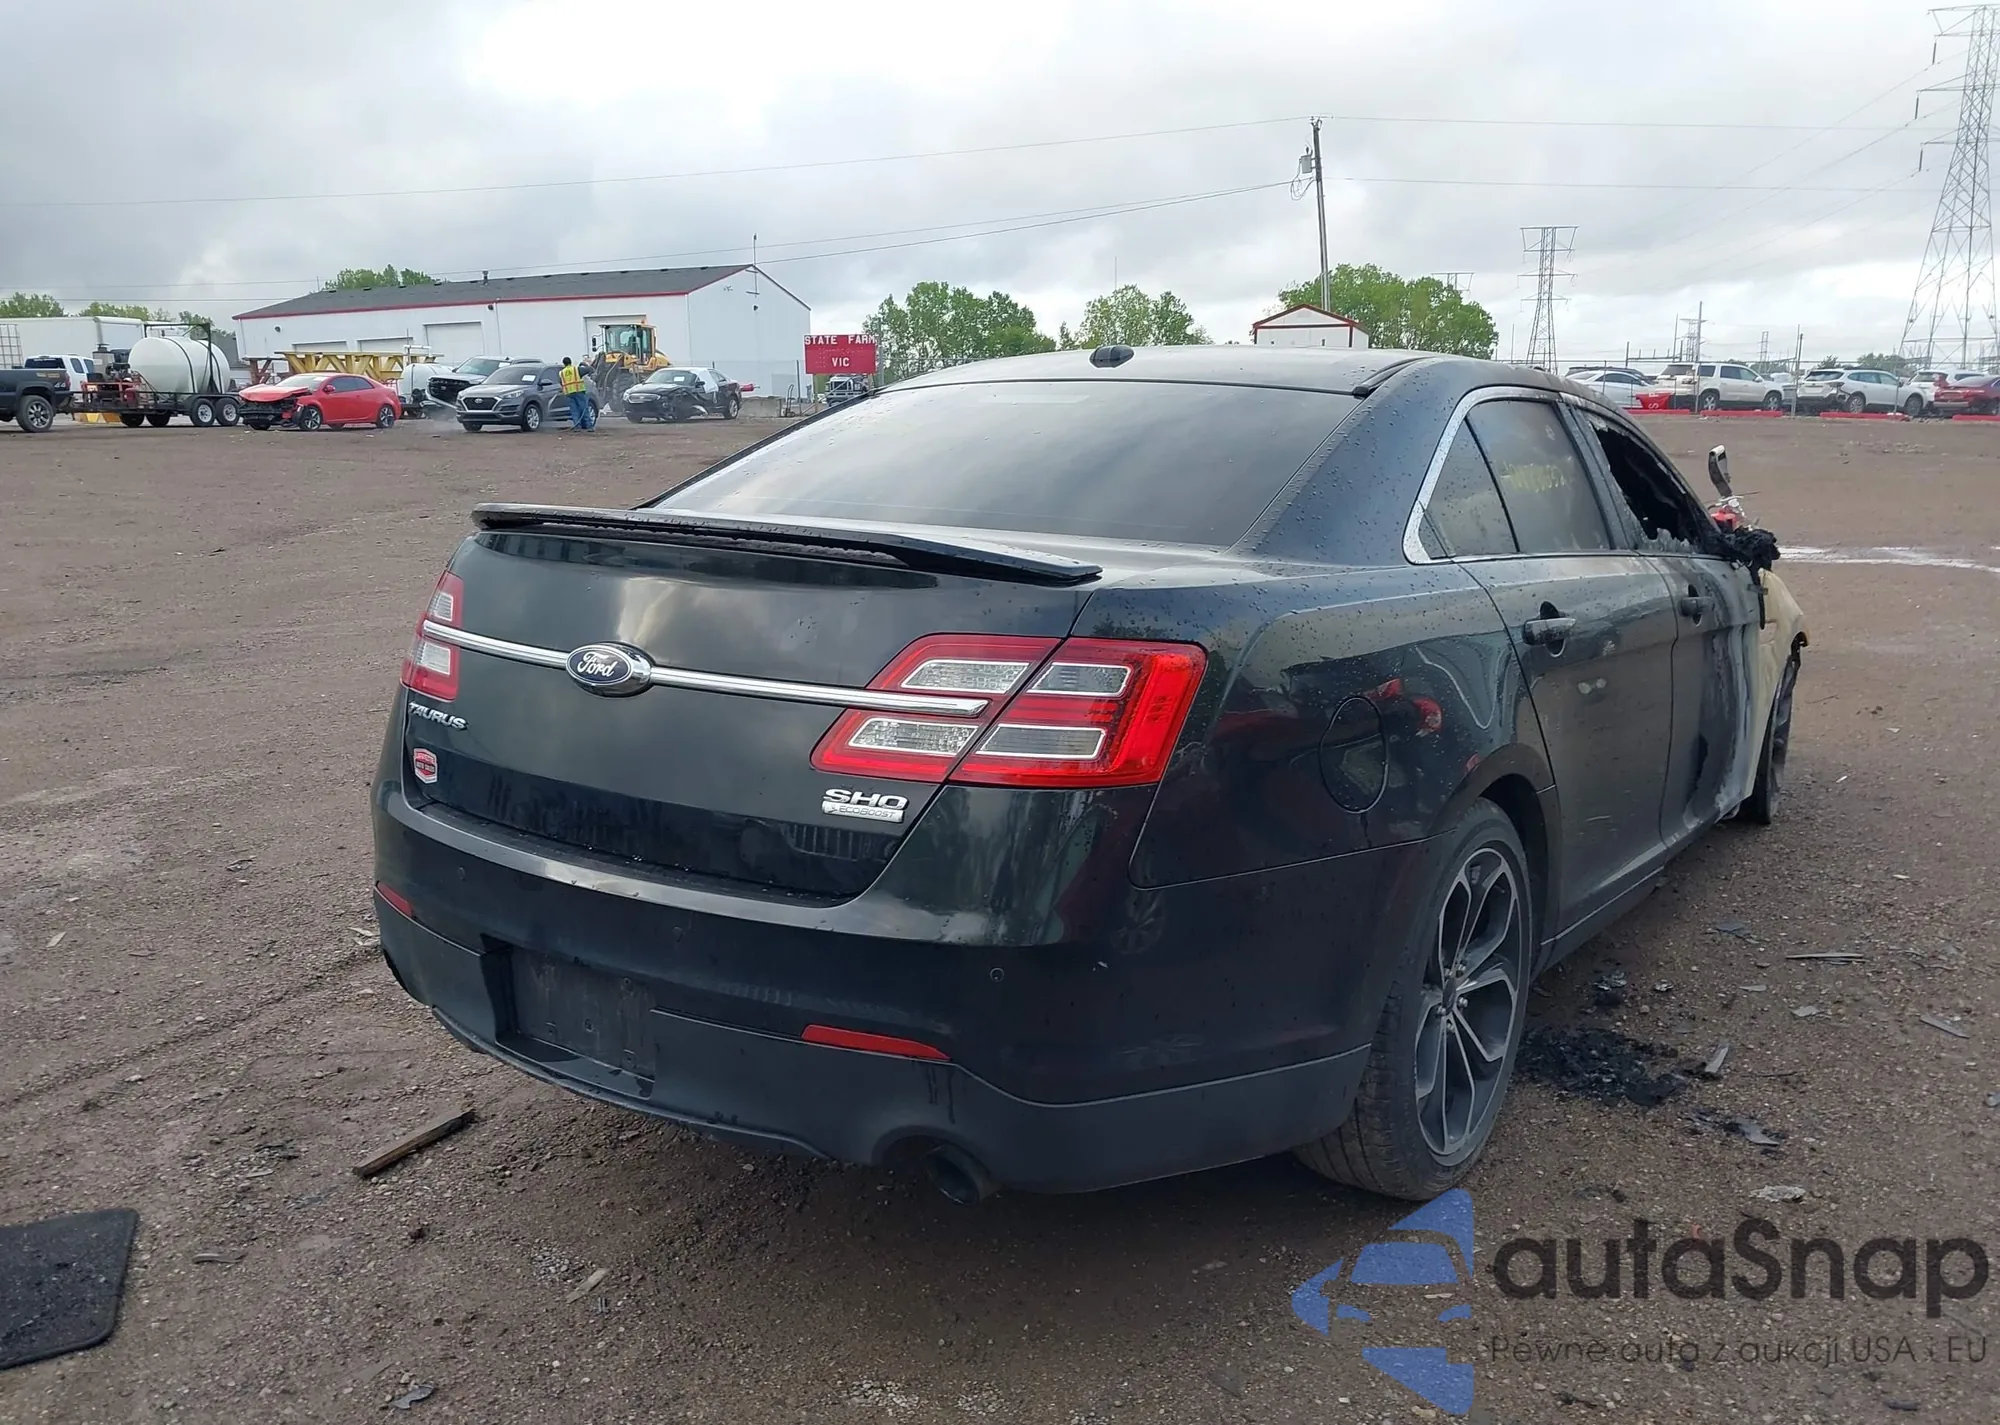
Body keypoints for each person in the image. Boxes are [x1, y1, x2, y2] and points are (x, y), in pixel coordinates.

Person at [559, 357, 592, 430]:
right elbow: (589, 369)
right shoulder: (576, 369)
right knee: (584, 408)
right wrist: (584, 364)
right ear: (570, 362)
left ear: (564, 364)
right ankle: (589, 426)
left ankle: (577, 426)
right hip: (578, 391)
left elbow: (561, 383)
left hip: (569, 394)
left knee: (574, 411)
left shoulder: (561, 373)